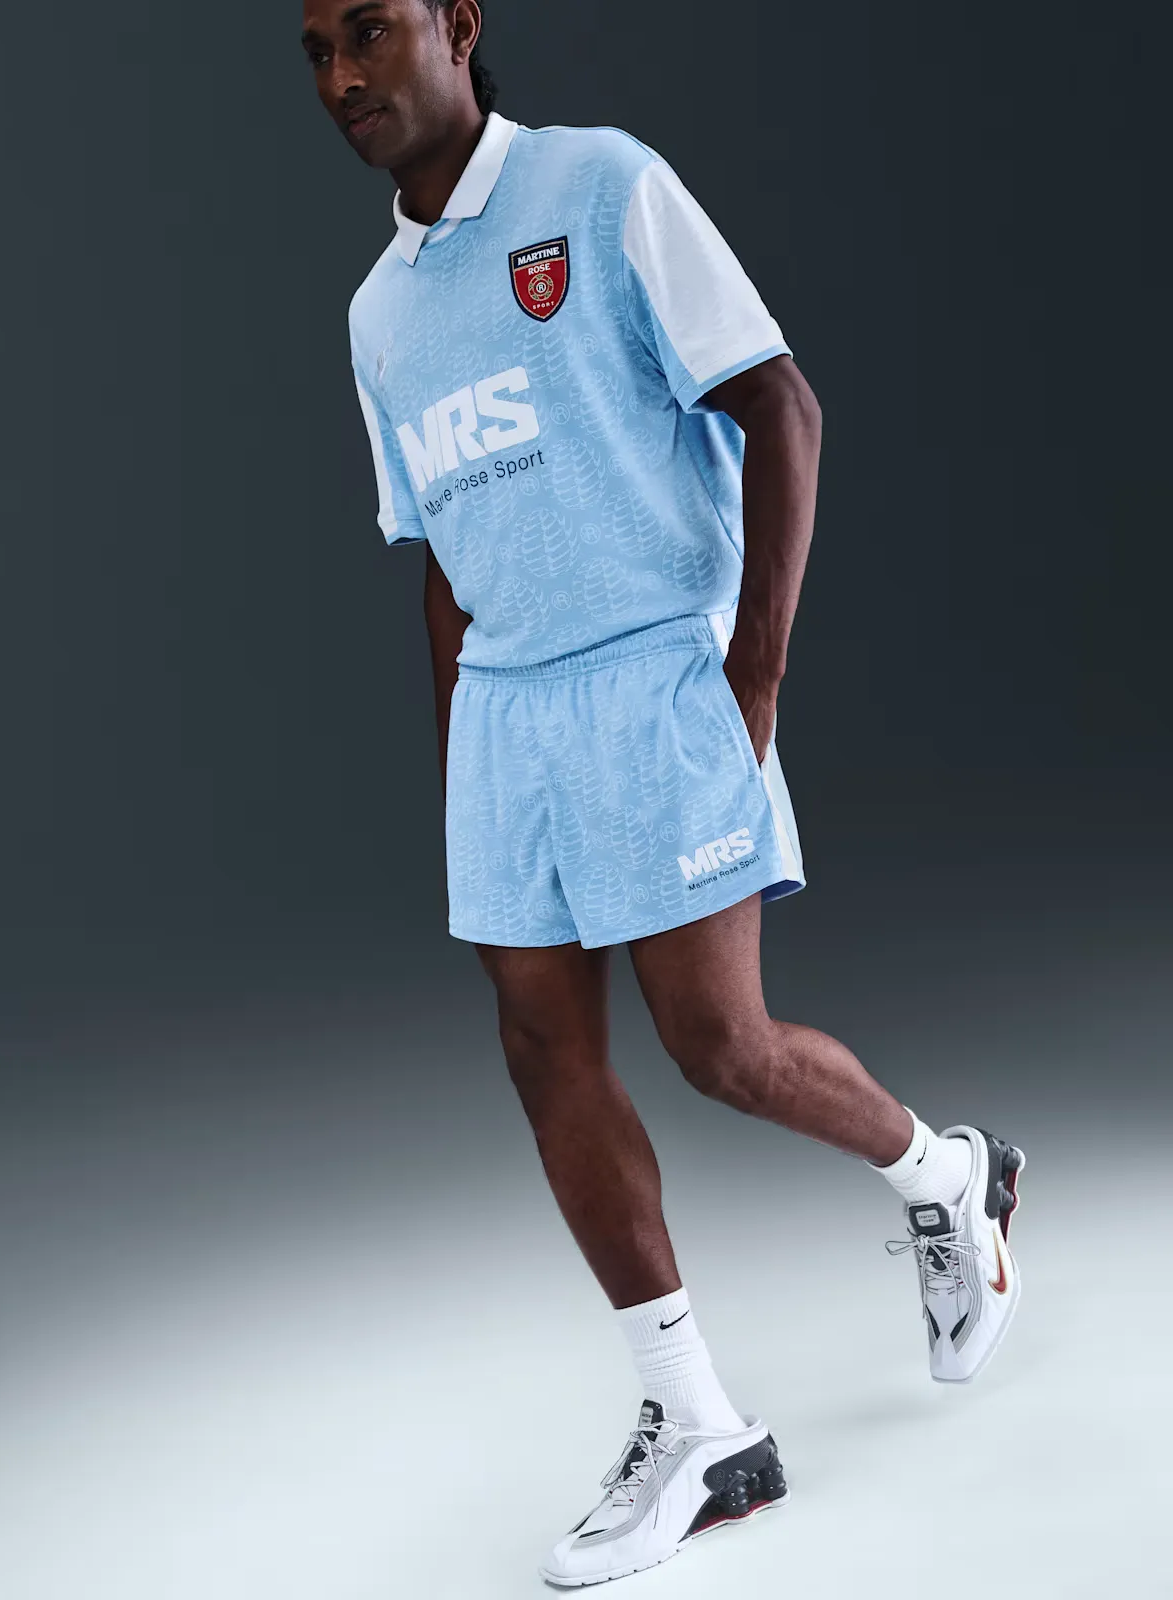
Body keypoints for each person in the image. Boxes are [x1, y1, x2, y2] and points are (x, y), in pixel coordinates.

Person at [302, 0, 1026, 1585]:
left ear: (457, 23)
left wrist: (750, 674)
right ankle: (699, 1425)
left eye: (369, 31)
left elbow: (783, 406)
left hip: (654, 674)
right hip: (508, 716)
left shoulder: (602, 184)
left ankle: (946, 1174)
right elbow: (437, 552)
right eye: (317, 53)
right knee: (540, 1052)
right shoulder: (378, 313)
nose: (344, 76)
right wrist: (461, 749)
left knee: (719, 1048)